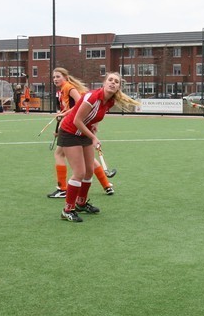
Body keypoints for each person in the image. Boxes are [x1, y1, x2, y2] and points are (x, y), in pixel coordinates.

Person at [55, 72, 139, 222]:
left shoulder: (109, 101)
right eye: (110, 80)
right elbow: (77, 120)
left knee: (89, 172)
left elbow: (96, 115)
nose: (113, 83)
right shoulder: (92, 97)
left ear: (118, 87)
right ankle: (67, 210)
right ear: (104, 83)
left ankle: (81, 203)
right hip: (70, 132)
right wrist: (93, 137)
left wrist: (94, 125)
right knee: (79, 173)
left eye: (116, 82)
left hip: (84, 132)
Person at [47, 68, 116, 199]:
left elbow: (79, 103)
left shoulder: (68, 87)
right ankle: (106, 185)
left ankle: (63, 189)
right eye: (54, 77)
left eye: (58, 76)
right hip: (75, 126)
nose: (55, 79)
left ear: (65, 77)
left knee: (60, 155)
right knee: (87, 161)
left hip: (74, 128)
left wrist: (65, 114)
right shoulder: (62, 90)